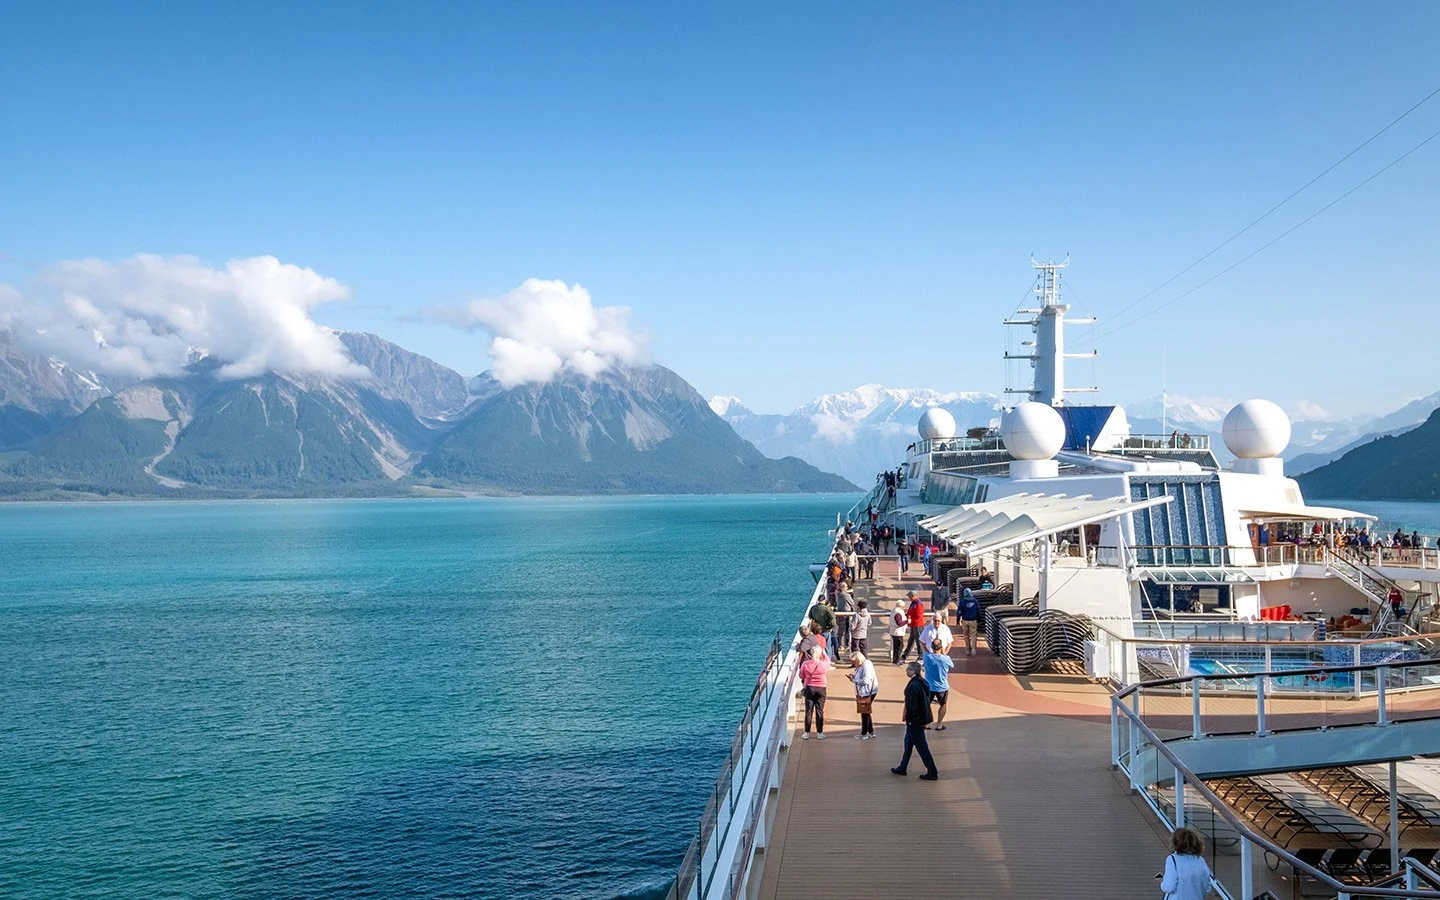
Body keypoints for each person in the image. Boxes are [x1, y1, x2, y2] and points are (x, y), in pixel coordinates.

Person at [891, 662, 939, 780]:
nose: (906, 671)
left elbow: (911, 705)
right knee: (908, 743)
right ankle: (902, 767)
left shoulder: (912, 686)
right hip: (921, 718)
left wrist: (910, 718)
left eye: (908, 669)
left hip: (915, 721)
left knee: (922, 747)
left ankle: (932, 771)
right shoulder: (923, 683)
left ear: (914, 671)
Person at [1158, 826, 1212, 899]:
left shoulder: (1172, 859)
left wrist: (1162, 881)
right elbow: (1207, 887)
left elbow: (1169, 887)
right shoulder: (1200, 861)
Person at [798, 646, 830, 740]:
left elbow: (801, 675)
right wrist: (823, 652)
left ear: (811, 653)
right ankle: (820, 733)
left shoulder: (806, 663)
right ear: (820, 653)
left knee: (809, 710)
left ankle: (806, 733)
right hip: (821, 688)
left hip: (809, 688)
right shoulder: (824, 664)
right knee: (819, 711)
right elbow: (827, 659)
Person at [923, 638, 955, 730]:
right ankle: (939, 724)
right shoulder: (946, 659)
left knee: (927, 704)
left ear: (932, 648)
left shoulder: (927, 657)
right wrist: (943, 653)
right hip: (942, 687)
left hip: (929, 686)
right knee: (943, 705)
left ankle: (927, 723)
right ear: (941, 647)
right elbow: (951, 665)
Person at [848, 651, 879, 740]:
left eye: (854, 661)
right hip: (864, 692)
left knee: (864, 713)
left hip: (867, 692)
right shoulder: (861, 665)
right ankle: (871, 732)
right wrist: (853, 675)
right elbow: (857, 673)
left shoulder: (866, 666)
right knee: (866, 712)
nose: (853, 663)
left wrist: (854, 681)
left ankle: (864, 733)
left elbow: (865, 680)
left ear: (858, 660)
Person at [902, 592, 927, 661]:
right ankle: (905, 655)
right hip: (913, 625)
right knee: (911, 641)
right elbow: (910, 613)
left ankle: (921, 656)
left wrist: (910, 619)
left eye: (909, 596)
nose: (908, 598)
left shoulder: (918, 604)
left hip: (917, 625)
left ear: (913, 596)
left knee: (919, 641)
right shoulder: (913, 603)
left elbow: (918, 616)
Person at [956, 587, 981, 655]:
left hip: (965, 620)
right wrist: (979, 620)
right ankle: (973, 649)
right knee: (973, 635)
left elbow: (959, 612)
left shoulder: (962, 602)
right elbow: (978, 611)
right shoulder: (975, 601)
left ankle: (967, 649)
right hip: (973, 620)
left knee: (966, 636)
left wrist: (958, 621)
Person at [889, 601, 908, 665]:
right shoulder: (897, 613)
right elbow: (899, 623)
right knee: (900, 646)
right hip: (897, 632)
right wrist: (907, 621)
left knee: (895, 646)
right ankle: (897, 659)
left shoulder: (894, 611)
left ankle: (895, 659)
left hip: (894, 631)